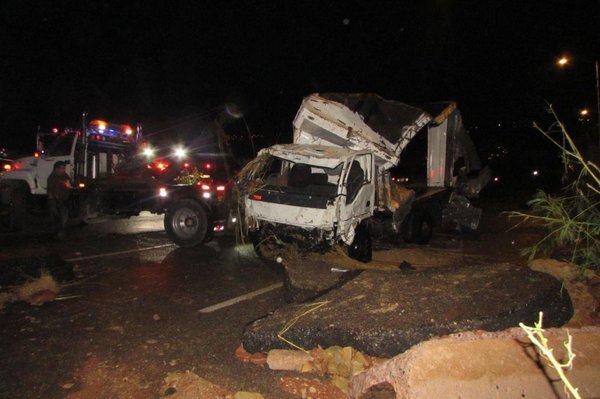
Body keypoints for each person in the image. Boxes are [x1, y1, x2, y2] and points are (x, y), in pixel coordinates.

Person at [47, 161, 72, 239]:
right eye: (61, 168)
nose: (63, 170)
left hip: (64, 200)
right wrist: (52, 201)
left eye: (63, 168)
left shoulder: (65, 176)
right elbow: (50, 190)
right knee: (57, 217)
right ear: (56, 169)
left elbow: (68, 185)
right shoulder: (52, 177)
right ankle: (57, 232)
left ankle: (62, 232)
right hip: (55, 201)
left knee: (64, 216)